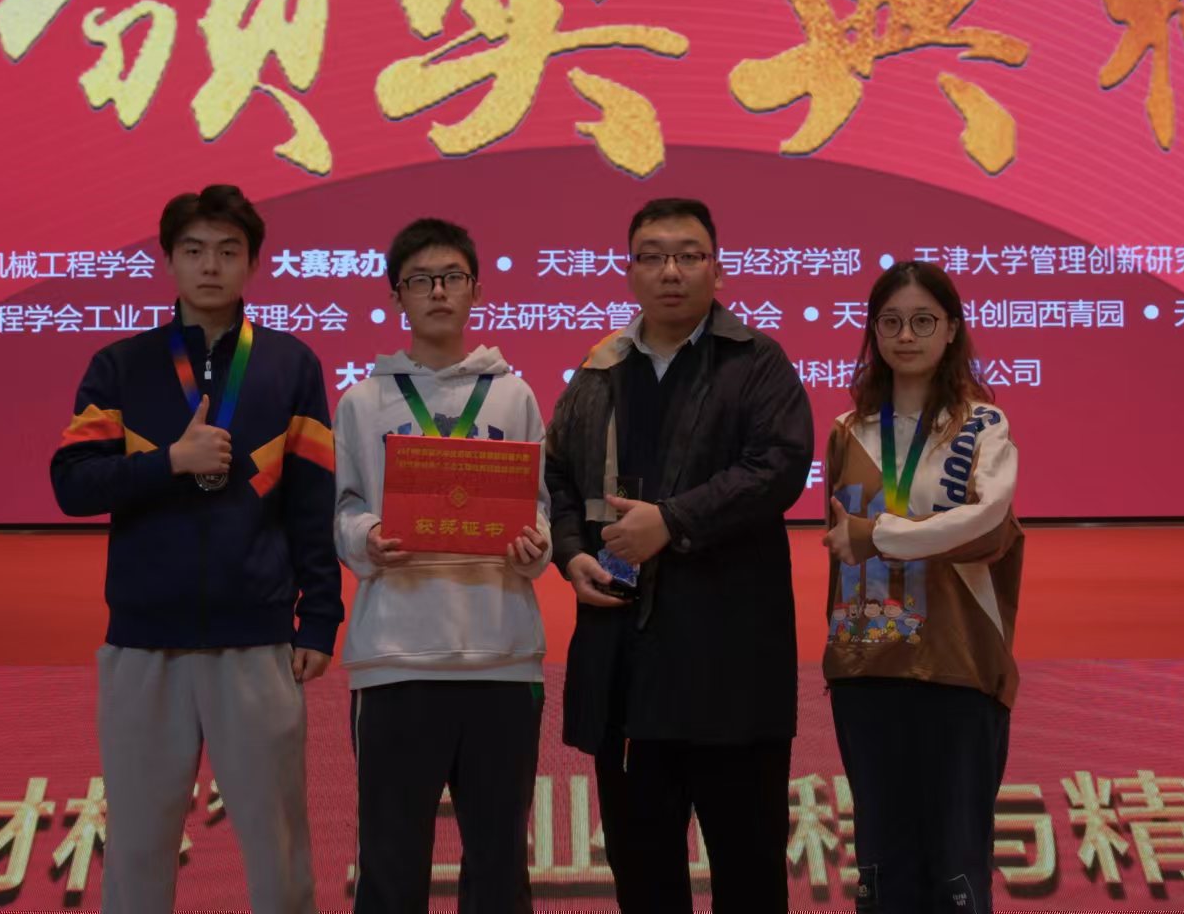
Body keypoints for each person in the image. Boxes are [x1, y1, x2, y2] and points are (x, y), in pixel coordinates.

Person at [50, 184, 341, 914]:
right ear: (170, 260)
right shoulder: (121, 365)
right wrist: (170, 462)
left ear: (252, 263)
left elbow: (312, 503)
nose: (210, 266)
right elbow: (72, 485)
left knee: (277, 846)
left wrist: (319, 619)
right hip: (144, 643)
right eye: (194, 250)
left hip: (258, 640)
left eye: (228, 251)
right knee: (138, 848)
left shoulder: (290, 364)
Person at [546, 197, 813, 914]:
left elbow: (778, 467)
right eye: (653, 256)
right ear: (629, 270)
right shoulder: (600, 370)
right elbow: (558, 476)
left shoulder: (755, 361)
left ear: (716, 269)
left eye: (689, 255)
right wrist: (570, 554)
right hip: (629, 669)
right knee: (645, 880)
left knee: (749, 878)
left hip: (733, 669)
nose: (671, 271)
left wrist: (672, 521)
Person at [333, 217, 552, 914]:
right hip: (396, 659)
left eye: (452, 277)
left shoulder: (514, 396)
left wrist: (537, 545)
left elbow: (540, 507)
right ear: (396, 295)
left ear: (476, 290)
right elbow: (342, 508)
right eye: (421, 280)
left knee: (498, 864)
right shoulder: (362, 402)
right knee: (391, 862)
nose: (437, 292)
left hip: (502, 657)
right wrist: (366, 537)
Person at [821, 260, 1023, 914]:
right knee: (882, 869)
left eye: (923, 321)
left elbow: (988, 521)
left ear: (952, 329)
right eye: (891, 322)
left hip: (957, 664)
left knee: (956, 870)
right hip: (868, 665)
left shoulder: (983, 426)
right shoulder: (848, 430)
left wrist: (879, 535)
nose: (906, 335)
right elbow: (839, 547)